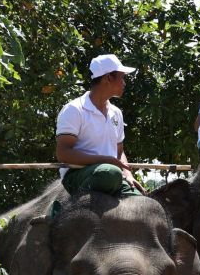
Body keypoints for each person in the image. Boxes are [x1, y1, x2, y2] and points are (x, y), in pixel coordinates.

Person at [55, 54, 144, 197]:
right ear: (108, 78)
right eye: (122, 77)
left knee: (141, 201)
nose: (124, 83)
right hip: (78, 174)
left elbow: (119, 151)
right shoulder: (74, 109)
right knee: (111, 173)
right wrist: (105, 160)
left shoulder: (116, 113)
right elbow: (63, 153)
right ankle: (66, 209)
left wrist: (128, 174)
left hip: (112, 177)